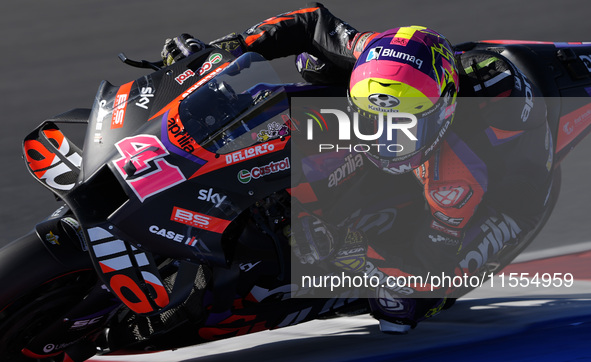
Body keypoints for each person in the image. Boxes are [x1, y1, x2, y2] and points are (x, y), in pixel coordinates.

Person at [160, 3, 556, 334]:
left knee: (400, 309)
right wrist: (223, 50)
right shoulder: (372, 56)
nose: (385, 141)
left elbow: (425, 276)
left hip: (517, 188)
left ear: (440, 115)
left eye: (401, 127)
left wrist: (351, 248)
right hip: (433, 88)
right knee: (314, 67)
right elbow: (311, 22)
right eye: (372, 120)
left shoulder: (454, 182)